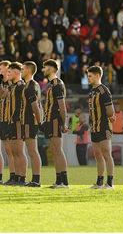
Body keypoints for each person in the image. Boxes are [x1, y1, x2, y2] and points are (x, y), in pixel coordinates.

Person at [86, 66, 116, 189]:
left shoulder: (104, 90)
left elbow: (110, 110)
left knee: (106, 153)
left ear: (98, 75)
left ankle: (110, 183)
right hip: (94, 127)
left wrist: (110, 116)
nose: (88, 78)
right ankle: (99, 182)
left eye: (90, 76)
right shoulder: (92, 91)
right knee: (97, 154)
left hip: (103, 126)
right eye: (88, 76)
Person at [42, 59, 69, 188]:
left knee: (58, 150)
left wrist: (64, 123)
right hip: (50, 120)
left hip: (55, 120)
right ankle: (59, 180)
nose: (43, 70)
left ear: (52, 69)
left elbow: (62, 107)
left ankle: (64, 181)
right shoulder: (51, 84)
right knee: (54, 150)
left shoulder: (57, 84)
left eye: (45, 67)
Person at [4, 62, 27, 185]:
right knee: (14, 151)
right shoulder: (12, 87)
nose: (8, 74)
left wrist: (19, 119)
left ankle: (22, 178)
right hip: (11, 121)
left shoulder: (21, 86)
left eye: (10, 72)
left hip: (18, 121)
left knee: (19, 151)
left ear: (17, 72)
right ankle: (17, 177)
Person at [21, 61, 43, 187]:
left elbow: (35, 106)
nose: (22, 71)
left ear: (29, 70)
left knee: (32, 151)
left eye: (23, 69)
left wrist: (39, 122)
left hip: (30, 122)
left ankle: (36, 179)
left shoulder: (30, 86)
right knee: (32, 151)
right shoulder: (33, 85)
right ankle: (35, 179)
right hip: (28, 121)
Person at [0, 60, 16, 184]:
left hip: (11, 119)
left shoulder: (11, 83)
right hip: (3, 118)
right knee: (8, 150)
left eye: (0, 68)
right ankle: (12, 175)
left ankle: (17, 176)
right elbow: (0, 96)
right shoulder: (2, 83)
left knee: (13, 150)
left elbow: (4, 95)